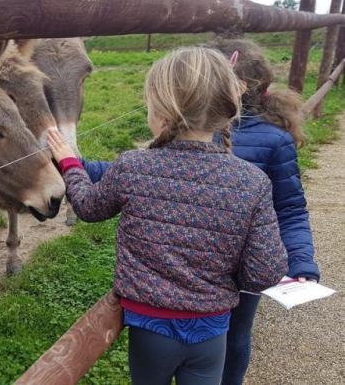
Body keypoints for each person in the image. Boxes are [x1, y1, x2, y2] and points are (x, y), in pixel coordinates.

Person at [47, 47, 287, 385]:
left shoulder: (133, 166)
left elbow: (87, 207)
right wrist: (220, 279)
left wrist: (70, 163)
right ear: (224, 112)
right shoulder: (252, 181)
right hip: (212, 331)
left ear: (160, 113)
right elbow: (266, 271)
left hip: (150, 329)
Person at [208, 38, 320, 385]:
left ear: (240, 86)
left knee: (237, 333)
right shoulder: (190, 130)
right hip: (198, 258)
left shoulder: (273, 141)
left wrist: (300, 260)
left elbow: (289, 209)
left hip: (246, 264)